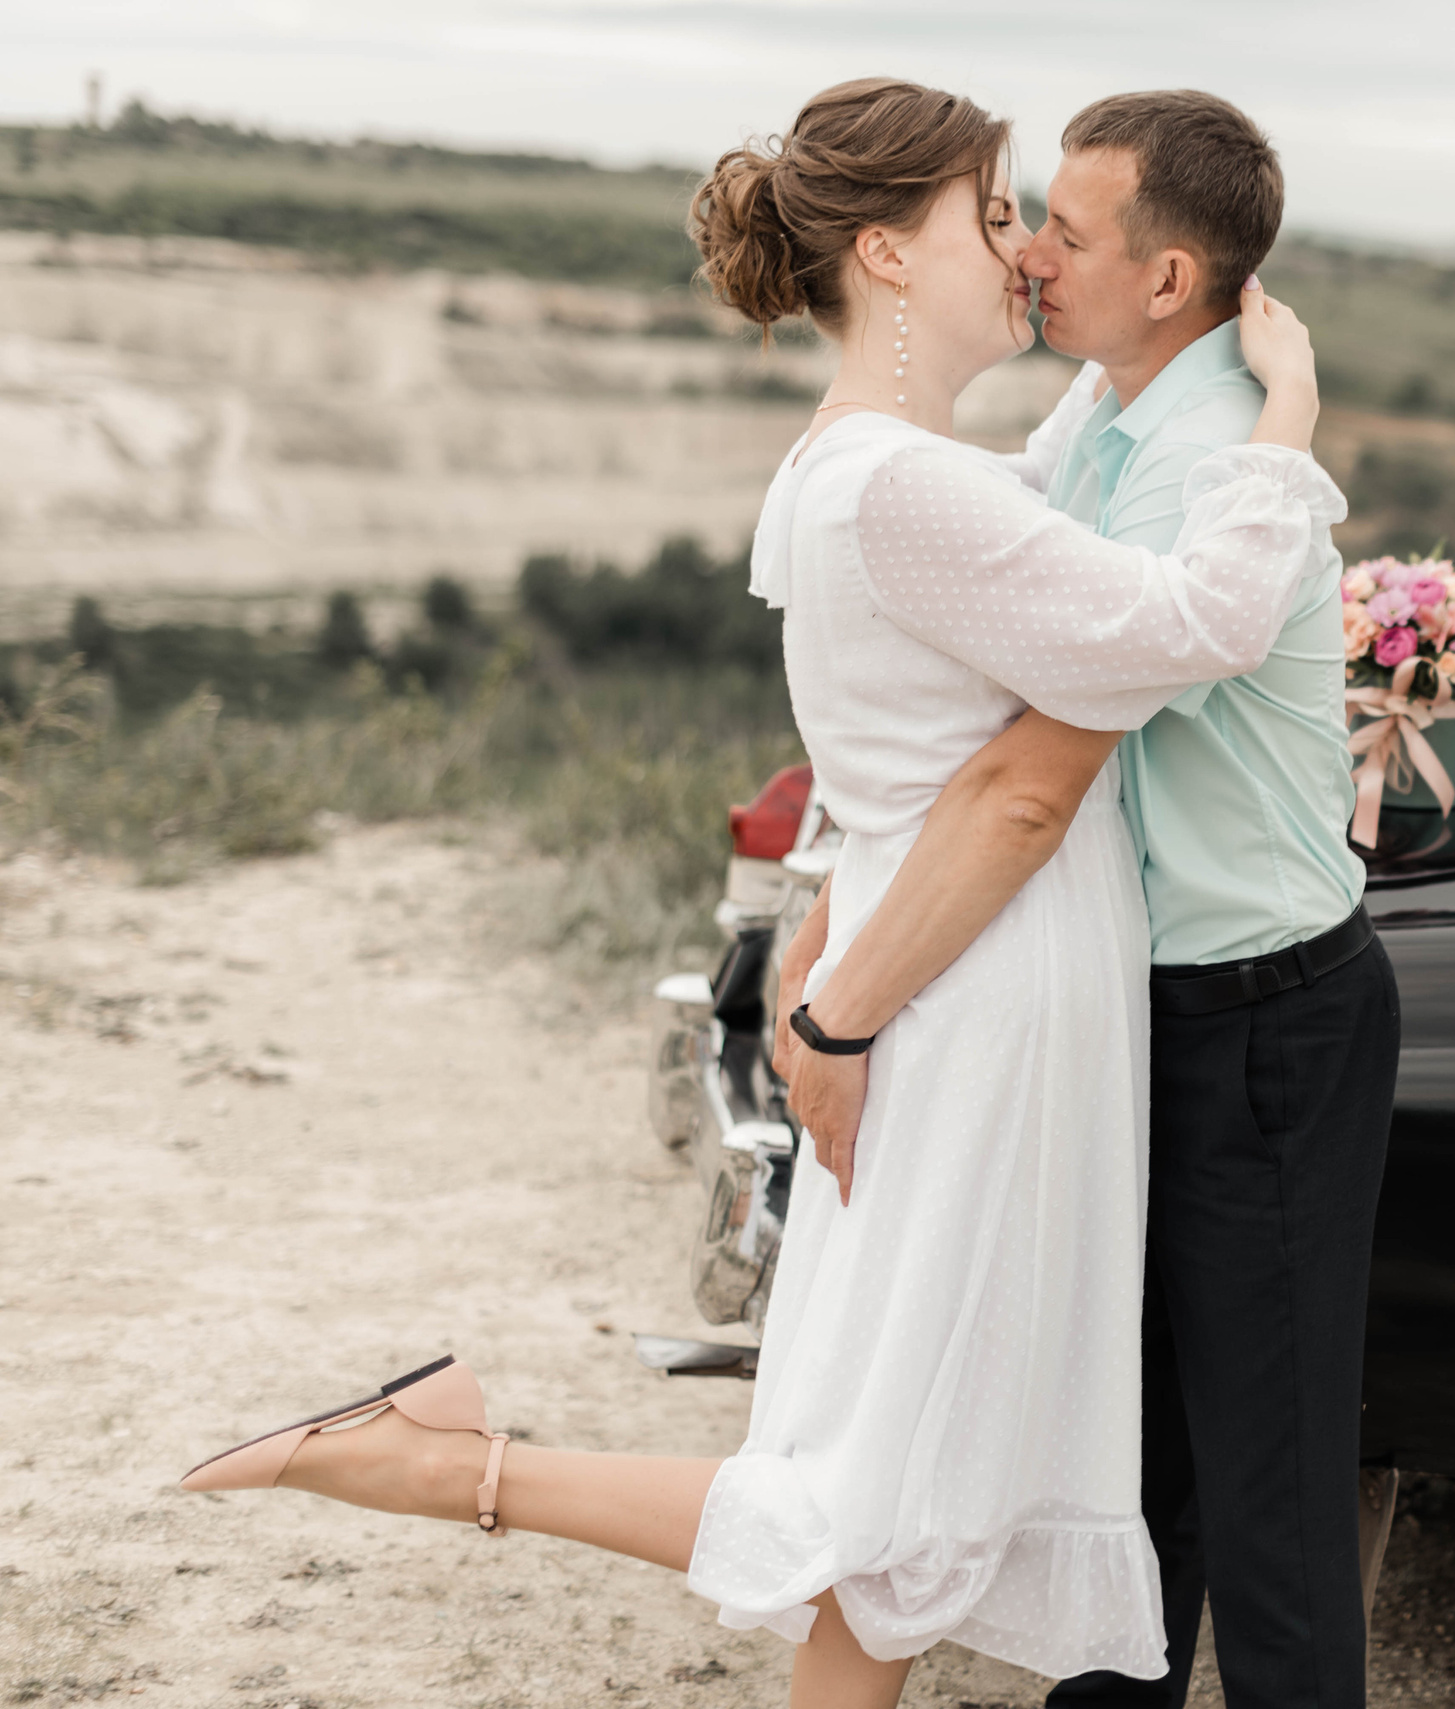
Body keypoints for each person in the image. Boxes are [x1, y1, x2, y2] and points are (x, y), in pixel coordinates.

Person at [174, 77, 1344, 1709]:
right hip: (984, 997)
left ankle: (456, 1458)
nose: (1019, 247)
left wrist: (1134, 365)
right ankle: (454, 1464)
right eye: (991, 214)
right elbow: (1186, 625)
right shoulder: (907, 486)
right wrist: (1285, 420)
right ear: (887, 251)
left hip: (951, 978)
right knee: (890, 1498)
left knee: (897, 1480)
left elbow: (1040, 504)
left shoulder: (872, 465)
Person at [784, 92, 1399, 1709]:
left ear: (1170, 277)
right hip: (1146, 1003)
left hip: (1262, 1012)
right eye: (1021, 216)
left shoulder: (1210, 459)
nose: (1033, 253)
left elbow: (1039, 763)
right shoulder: (1111, 421)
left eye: (1063, 227)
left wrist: (1288, 422)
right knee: (1131, 1471)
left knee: (1267, 1493)